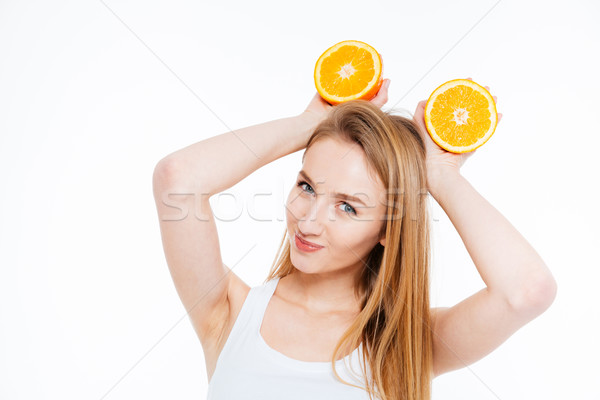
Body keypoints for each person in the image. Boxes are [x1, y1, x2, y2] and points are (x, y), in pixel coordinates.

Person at [152, 78, 557, 400]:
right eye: (307, 187)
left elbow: (526, 291)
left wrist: (438, 173)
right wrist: (310, 125)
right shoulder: (229, 312)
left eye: (348, 207)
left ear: (388, 230)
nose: (309, 221)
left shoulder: (407, 343)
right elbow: (178, 179)